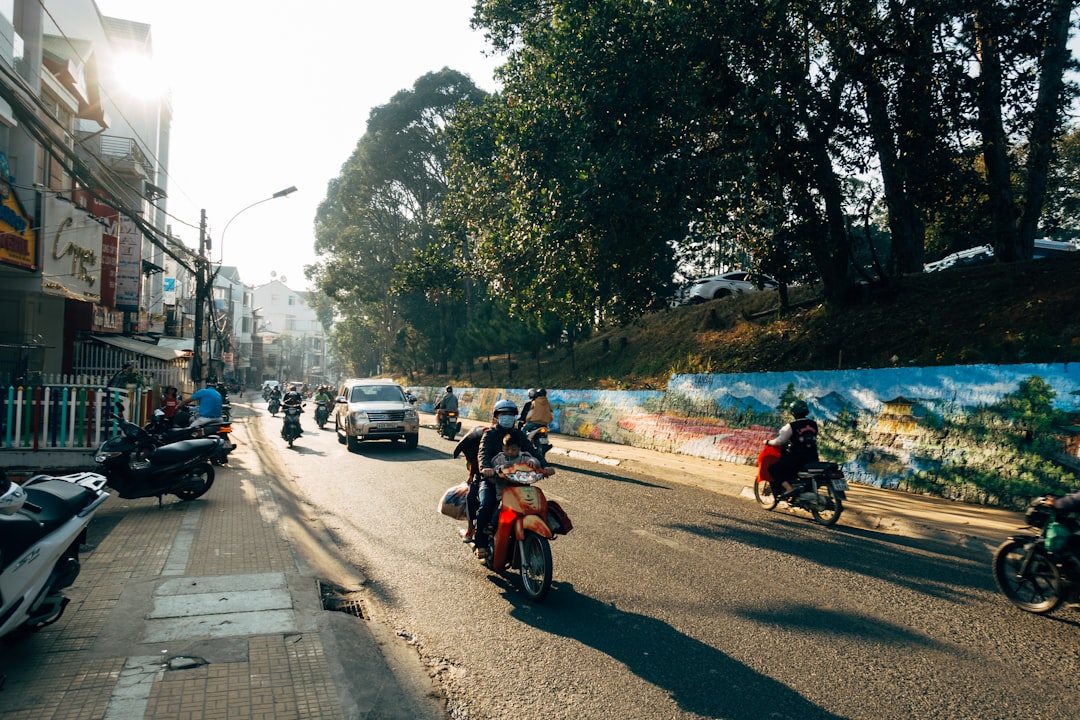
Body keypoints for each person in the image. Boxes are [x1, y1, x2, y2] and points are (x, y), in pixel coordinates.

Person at [473, 399, 553, 559]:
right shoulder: (490, 434)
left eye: (510, 414)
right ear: (496, 416)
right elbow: (483, 454)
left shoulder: (519, 434)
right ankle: (480, 543)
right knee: (486, 504)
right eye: (503, 414)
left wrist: (544, 466)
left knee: (534, 505)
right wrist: (486, 469)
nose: (507, 417)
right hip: (492, 481)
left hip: (517, 481)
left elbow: (533, 452)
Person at [764, 399, 819, 499]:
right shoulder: (813, 424)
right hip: (813, 457)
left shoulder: (791, 426)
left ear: (793, 413)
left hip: (797, 459)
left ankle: (789, 489)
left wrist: (768, 442)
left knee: (774, 469)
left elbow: (780, 441)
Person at [453, 424, 488, 543]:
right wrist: (471, 476)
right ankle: (470, 528)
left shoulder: (508, 434)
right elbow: (476, 460)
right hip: (483, 476)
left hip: (506, 476)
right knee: (471, 497)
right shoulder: (478, 437)